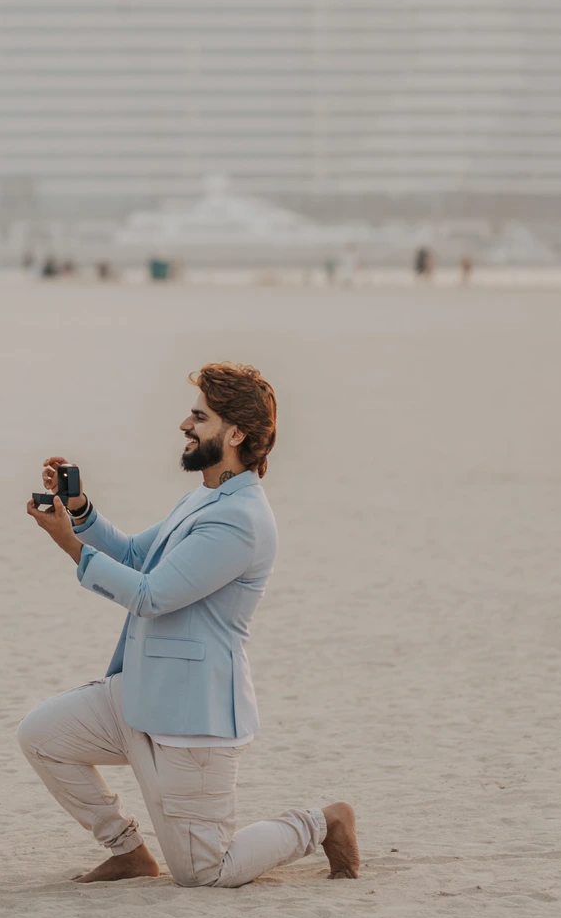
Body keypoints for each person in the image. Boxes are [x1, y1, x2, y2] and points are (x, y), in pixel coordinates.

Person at [19, 361, 359, 888]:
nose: (185, 424)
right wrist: (81, 512)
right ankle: (128, 851)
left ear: (236, 433)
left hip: (192, 719)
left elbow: (153, 596)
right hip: (138, 694)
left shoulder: (240, 520)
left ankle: (323, 821)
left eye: (199, 416)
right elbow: (136, 554)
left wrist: (69, 545)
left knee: (204, 872)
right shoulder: (207, 497)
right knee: (41, 736)